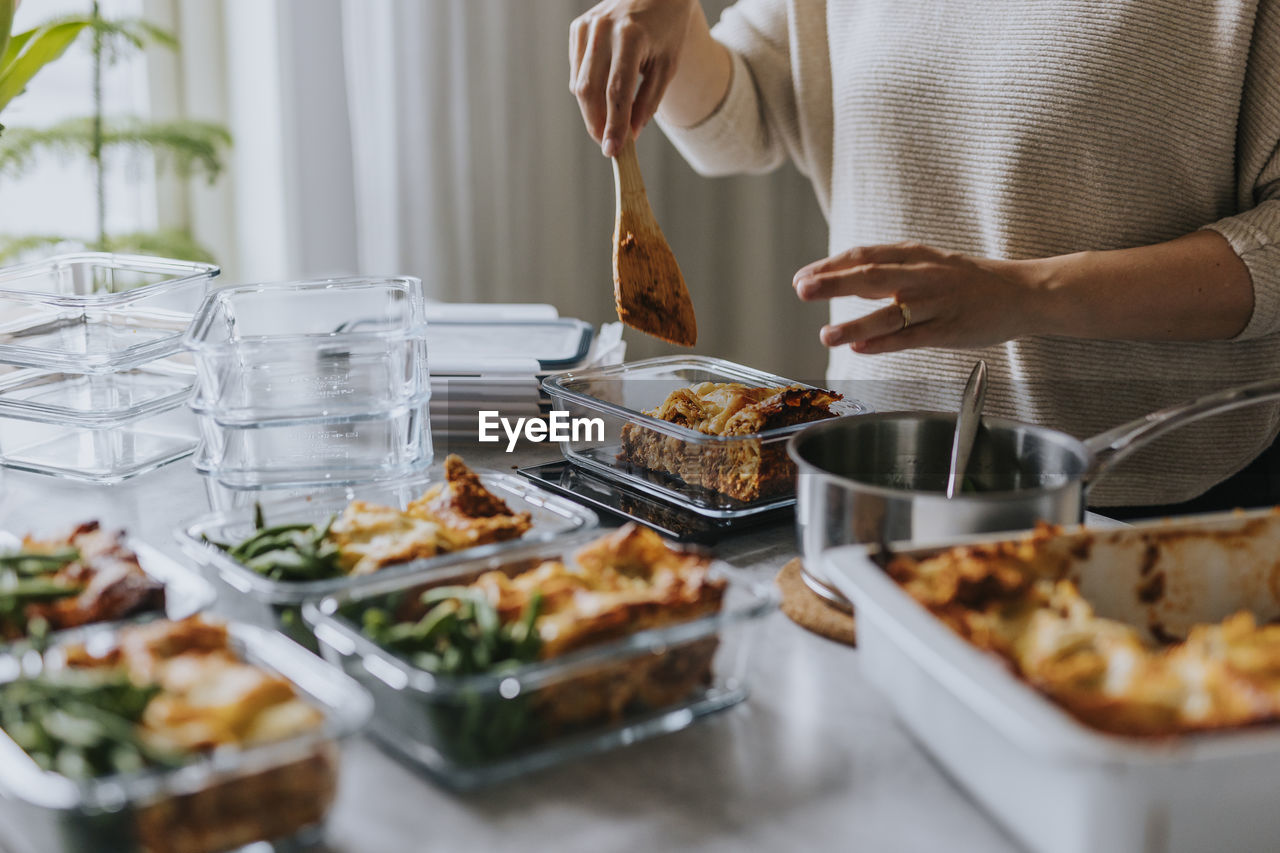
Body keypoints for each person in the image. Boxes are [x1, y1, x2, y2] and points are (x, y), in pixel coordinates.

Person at [569, 0, 1280, 516]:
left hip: (1154, 501)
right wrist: (671, 15)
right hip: (872, 479)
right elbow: (740, 117)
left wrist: (1030, 294)